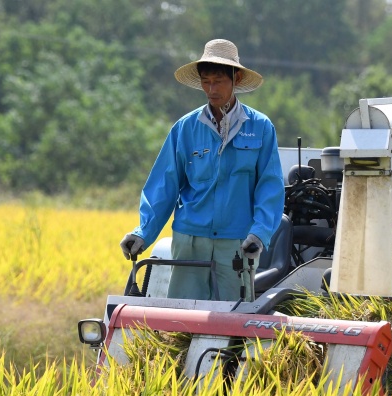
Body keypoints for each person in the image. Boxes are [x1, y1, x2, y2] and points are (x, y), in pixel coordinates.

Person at [119, 39, 285, 301]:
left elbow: (270, 186)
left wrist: (260, 233)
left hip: (237, 244)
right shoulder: (185, 128)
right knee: (182, 322)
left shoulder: (261, 127)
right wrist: (143, 232)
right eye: (205, 81)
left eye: (218, 81)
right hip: (190, 241)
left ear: (236, 78)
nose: (210, 89)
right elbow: (164, 184)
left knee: (234, 324)